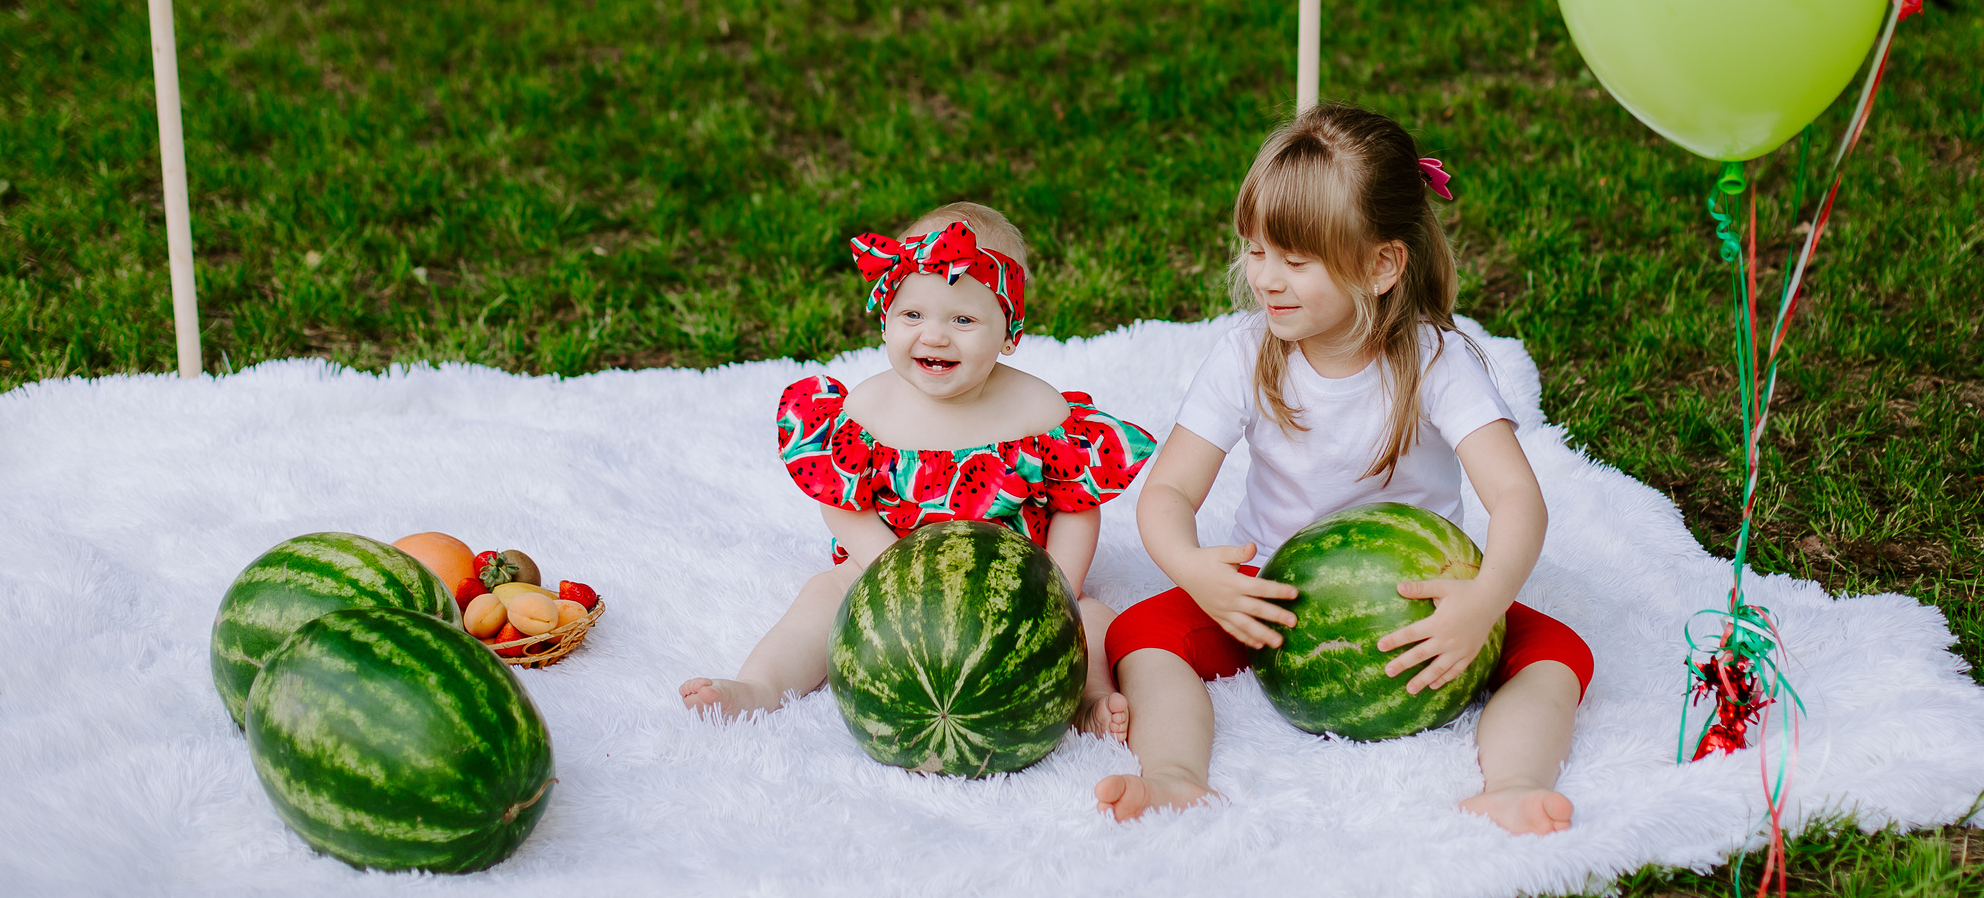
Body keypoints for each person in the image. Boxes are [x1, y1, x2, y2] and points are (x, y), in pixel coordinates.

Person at [1095, 106, 1593, 833]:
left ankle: (1513, 783)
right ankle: (1173, 773)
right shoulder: (1244, 355)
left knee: (1559, 655)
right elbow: (1168, 488)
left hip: (1420, 608)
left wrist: (1483, 599)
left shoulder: (1437, 362)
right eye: (1256, 250)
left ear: (1382, 263)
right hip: (1270, 598)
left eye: (1296, 261)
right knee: (1138, 636)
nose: (1267, 278)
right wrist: (1197, 570)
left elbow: (1518, 496)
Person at [681, 201, 1156, 737]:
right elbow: (842, 503)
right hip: (883, 565)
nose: (934, 336)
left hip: (1012, 583)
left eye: (963, 319)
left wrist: (1055, 591)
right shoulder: (867, 409)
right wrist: (895, 578)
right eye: (913, 315)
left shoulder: (1040, 411)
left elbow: (1077, 507)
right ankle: (761, 685)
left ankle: (1089, 699)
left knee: (1092, 619)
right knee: (825, 594)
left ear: (1009, 332)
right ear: (885, 317)